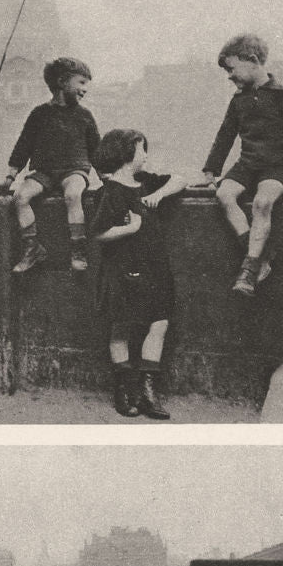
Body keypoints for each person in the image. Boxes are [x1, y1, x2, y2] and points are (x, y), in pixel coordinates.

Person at [202, 33, 283, 297]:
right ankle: (260, 258)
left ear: (252, 60)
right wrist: (211, 169)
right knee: (224, 195)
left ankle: (249, 271)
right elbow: (225, 134)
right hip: (248, 164)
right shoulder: (238, 99)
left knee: (263, 203)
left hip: (278, 166)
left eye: (231, 69)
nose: (229, 76)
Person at [92, 129, 185, 420]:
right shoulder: (109, 192)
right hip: (121, 269)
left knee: (158, 324)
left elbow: (180, 180)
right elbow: (99, 232)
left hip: (154, 267)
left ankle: (147, 393)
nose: (145, 156)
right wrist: (131, 229)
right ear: (126, 155)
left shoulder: (145, 183)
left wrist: (159, 194)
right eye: (141, 150)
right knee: (120, 327)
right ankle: (123, 390)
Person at [0, 57, 100, 273]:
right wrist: (11, 175)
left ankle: (78, 250)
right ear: (63, 82)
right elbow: (23, 145)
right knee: (21, 197)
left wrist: (105, 176)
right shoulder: (39, 114)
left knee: (73, 195)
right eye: (81, 83)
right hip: (45, 171)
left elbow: (95, 150)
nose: (85, 89)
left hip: (74, 170)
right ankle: (32, 247)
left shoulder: (84, 116)